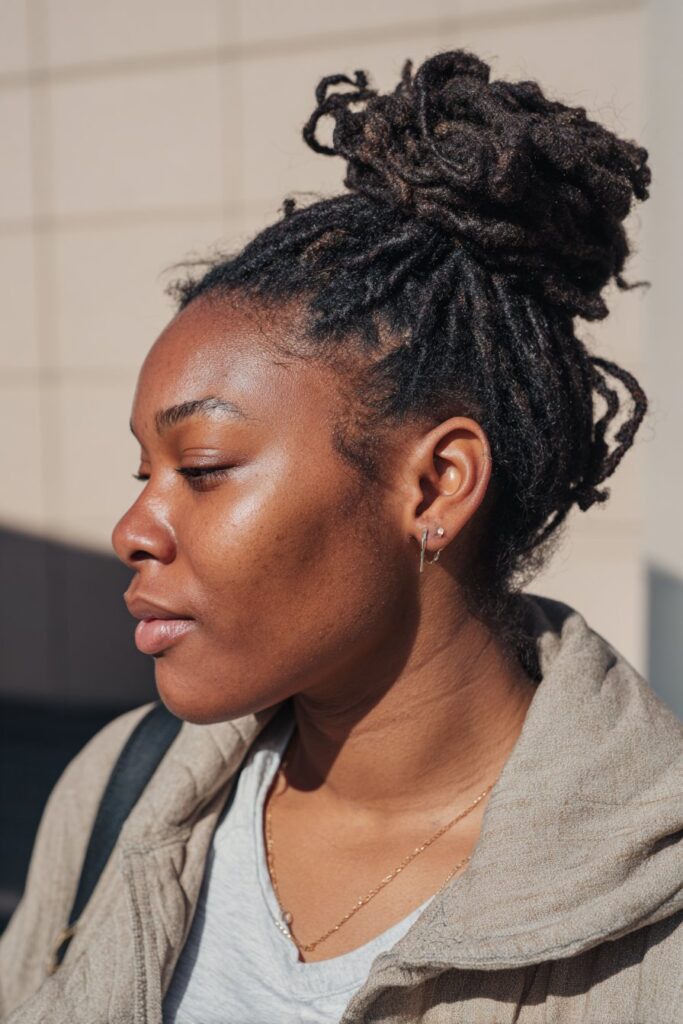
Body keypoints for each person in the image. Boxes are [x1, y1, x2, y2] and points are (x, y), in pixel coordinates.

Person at [1, 47, 681, 1024]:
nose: (133, 528)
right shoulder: (119, 787)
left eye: (200, 469)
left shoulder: (653, 931)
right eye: (143, 473)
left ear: (434, 483)